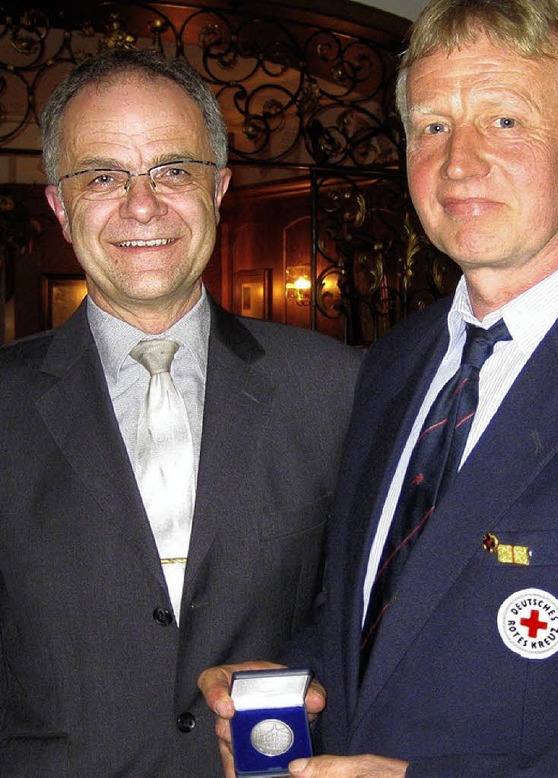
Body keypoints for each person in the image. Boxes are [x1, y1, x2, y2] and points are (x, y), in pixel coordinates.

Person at [199, 0, 558, 774]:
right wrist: (300, 693)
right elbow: (376, 611)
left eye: (504, 121)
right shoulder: (395, 362)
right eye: (432, 126)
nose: (458, 162)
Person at [0, 49, 361, 777]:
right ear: (60, 207)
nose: (142, 204)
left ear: (219, 189)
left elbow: (366, 613)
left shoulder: (339, 387)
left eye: (173, 169)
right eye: (103, 176)